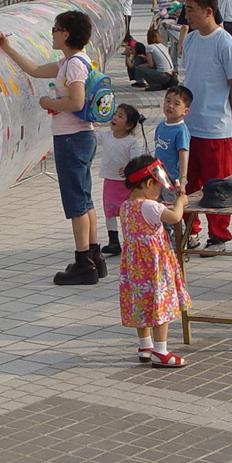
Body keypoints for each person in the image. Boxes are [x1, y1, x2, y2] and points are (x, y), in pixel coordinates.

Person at [0, 10, 105, 285]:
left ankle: (83, 262)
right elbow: (33, 69)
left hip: (72, 138)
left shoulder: (74, 65)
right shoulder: (71, 62)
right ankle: (94, 255)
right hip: (79, 138)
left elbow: (76, 102)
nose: (52, 34)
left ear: (66, 33)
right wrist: (8, 48)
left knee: (76, 202)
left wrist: (48, 103)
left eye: (55, 29)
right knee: (85, 198)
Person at [180, 0, 232, 252]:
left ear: (208, 11)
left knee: (216, 187)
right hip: (187, 127)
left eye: (191, 10)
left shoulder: (226, 43)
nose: (187, 16)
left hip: (215, 129)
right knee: (186, 182)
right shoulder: (191, 39)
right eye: (185, 9)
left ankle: (219, 236)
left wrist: (225, 115)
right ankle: (189, 231)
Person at [118, 154, 190, 368]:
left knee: (141, 304)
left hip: (136, 268)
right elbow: (175, 218)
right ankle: (161, 351)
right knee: (161, 304)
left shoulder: (126, 206)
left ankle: (145, 345)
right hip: (155, 268)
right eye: (158, 186)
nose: (160, 191)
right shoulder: (150, 207)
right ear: (148, 183)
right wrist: (180, 202)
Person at [99, 104, 146, 256]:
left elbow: (135, 160)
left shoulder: (131, 142)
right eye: (115, 114)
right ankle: (113, 241)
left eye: (120, 116)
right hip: (110, 181)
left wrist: (128, 168)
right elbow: (89, 137)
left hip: (127, 184)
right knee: (110, 211)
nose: (114, 118)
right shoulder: (105, 135)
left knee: (128, 212)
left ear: (129, 125)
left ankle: (131, 240)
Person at [155, 85, 192, 200]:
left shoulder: (181, 130)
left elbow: (183, 156)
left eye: (176, 104)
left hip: (173, 181)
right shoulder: (161, 126)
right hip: (158, 177)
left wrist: (182, 180)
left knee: (171, 213)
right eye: (168, 101)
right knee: (158, 211)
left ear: (185, 111)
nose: (170, 105)